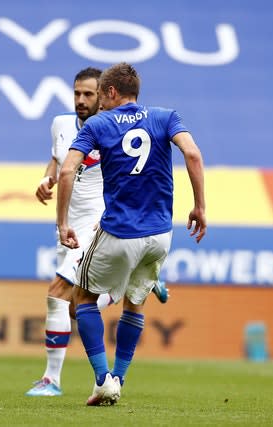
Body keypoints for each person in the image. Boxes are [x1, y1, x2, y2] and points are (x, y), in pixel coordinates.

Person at [56, 63, 206, 405]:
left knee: (83, 299)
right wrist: (199, 207)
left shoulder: (98, 123)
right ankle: (118, 381)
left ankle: (100, 380)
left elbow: (67, 171)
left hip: (120, 231)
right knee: (134, 305)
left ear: (109, 92)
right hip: (159, 235)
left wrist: (64, 223)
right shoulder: (165, 117)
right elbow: (193, 154)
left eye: (101, 98)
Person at [26, 68, 169, 397]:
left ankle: (51, 379)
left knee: (57, 292)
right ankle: (129, 280)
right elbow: (57, 158)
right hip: (68, 225)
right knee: (76, 308)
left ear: (105, 95)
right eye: (77, 93)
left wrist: (111, 215)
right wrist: (46, 179)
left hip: (97, 226)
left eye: (88, 94)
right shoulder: (61, 124)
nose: (81, 100)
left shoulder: (112, 129)